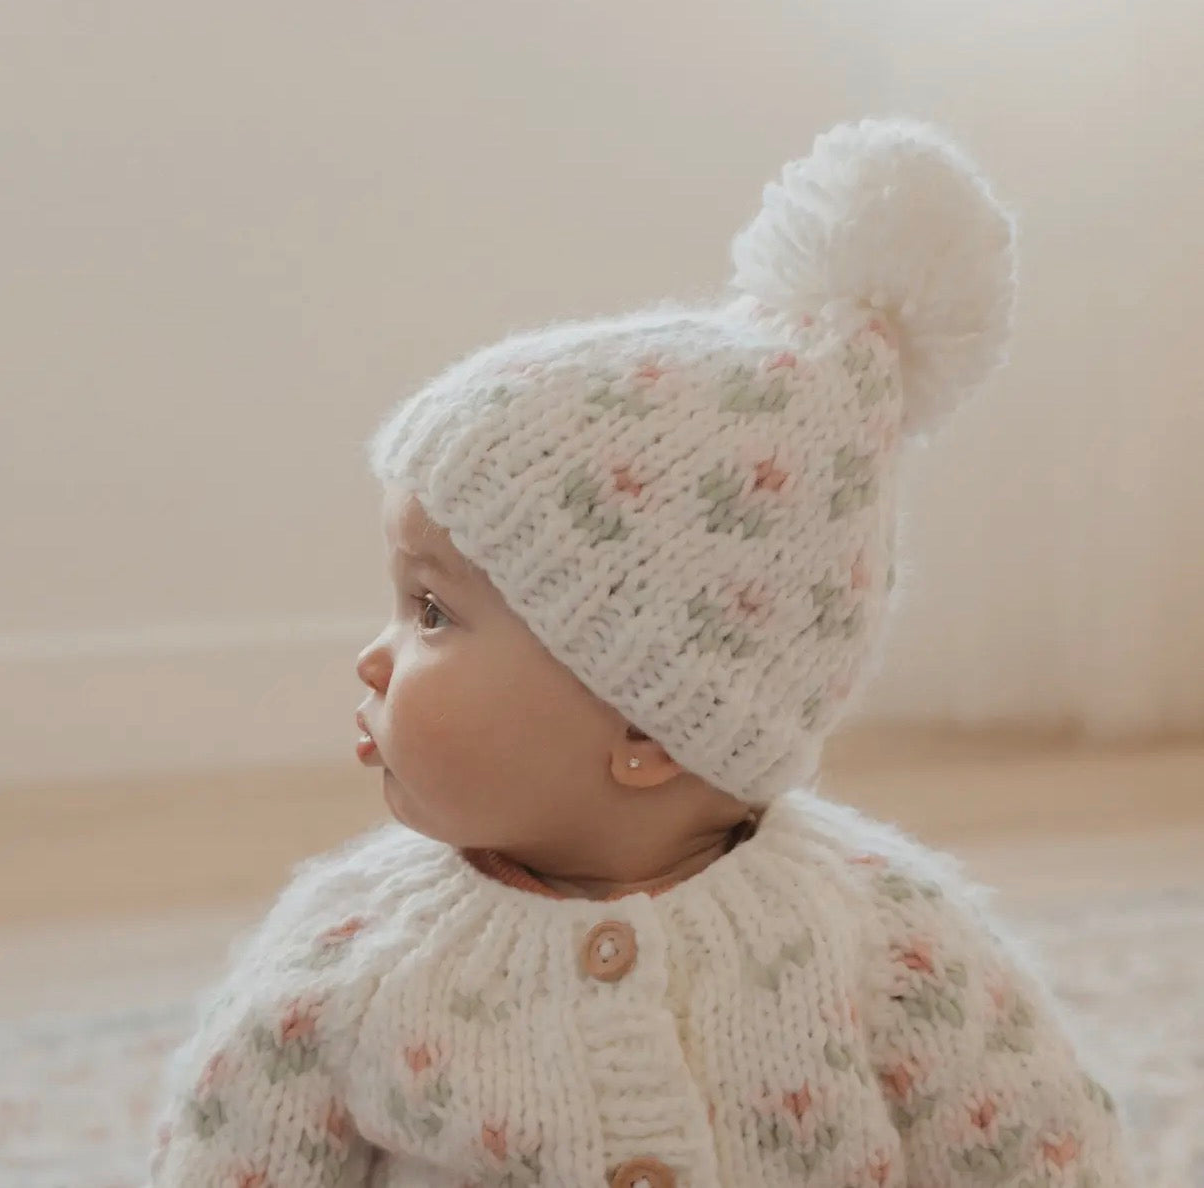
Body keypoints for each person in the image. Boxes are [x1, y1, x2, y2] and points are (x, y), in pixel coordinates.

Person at [146, 116, 1136, 1187]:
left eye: (431, 612)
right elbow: (229, 1157)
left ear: (645, 726)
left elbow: (1043, 1152)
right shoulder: (348, 950)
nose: (373, 659)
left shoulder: (887, 941)